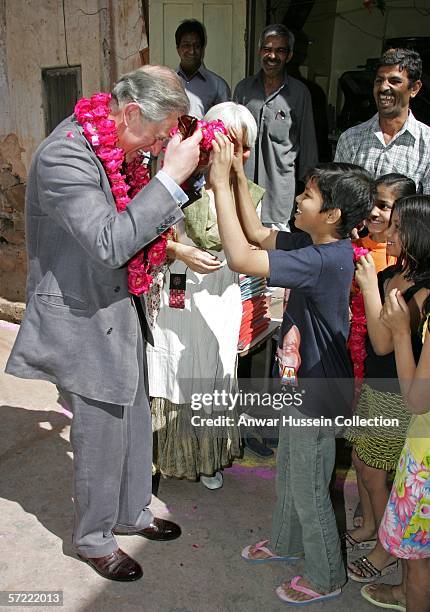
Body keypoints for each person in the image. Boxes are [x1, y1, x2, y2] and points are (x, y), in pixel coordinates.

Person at [4, 66, 203, 582]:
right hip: (83, 311)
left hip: (121, 304)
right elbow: (111, 242)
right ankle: (94, 537)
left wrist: (184, 176)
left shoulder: (119, 148)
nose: (159, 146)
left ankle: (133, 512)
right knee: (99, 431)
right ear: (132, 112)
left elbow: (140, 219)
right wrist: (168, 178)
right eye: (158, 135)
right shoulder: (64, 155)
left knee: (133, 415)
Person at [209, 131, 375, 605]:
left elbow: (242, 256)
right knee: (291, 470)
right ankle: (285, 543)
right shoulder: (316, 243)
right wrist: (239, 176)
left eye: (308, 195)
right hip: (301, 381)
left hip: (318, 391)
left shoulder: (324, 259)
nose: (299, 199)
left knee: (309, 485)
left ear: (334, 215)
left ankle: (326, 576)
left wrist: (220, 185)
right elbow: (260, 234)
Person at [147, 102, 263, 489]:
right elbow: (143, 235)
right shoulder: (177, 180)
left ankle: (207, 458)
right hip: (179, 294)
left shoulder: (246, 192)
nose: (240, 156)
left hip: (221, 295)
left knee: (213, 370)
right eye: (234, 146)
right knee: (172, 368)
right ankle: (163, 456)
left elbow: (255, 242)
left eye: (245, 148)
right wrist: (180, 251)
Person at [346, 191, 430, 585]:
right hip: (375, 385)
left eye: (398, 227)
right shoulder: (391, 273)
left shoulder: (423, 291)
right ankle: (372, 529)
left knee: (377, 474)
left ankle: (384, 550)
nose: (389, 232)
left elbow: (384, 342)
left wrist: (366, 286)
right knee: (363, 465)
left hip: (398, 396)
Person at [233, 24, 318, 231]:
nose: (272, 56)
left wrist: (312, 191)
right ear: (260, 51)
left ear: (289, 56)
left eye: (280, 50)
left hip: (279, 195)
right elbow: (232, 137)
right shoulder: (244, 89)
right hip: (244, 190)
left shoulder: (299, 93)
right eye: (267, 49)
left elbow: (308, 145)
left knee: (275, 258)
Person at [335, 48, 430, 194]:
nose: (384, 87)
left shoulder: (427, 144)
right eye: (379, 80)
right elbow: (339, 197)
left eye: (395, 81)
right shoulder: (350, 139)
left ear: (414, 88)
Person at [354, 174, 415, 273]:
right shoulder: (351, 248)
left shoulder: (408, 259)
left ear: (403, 210)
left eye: (384, 206)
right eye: (371, 203)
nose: (373, 212)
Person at [175, 19, 231, 118]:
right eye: (186, 45)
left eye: (196, 46)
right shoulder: (167, 83)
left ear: (203, 48)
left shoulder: (218, 86)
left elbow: (225, 123)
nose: (192, 51)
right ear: (178, 48)